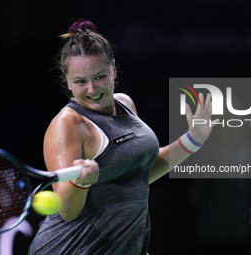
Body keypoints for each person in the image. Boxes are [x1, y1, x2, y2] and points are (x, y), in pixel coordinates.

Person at [28, 19, 217, 255]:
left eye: (99, 77)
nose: (92, 89)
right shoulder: (68, 124)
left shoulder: (125, 103)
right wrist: (79, 183)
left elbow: (137, 175)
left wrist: (193, 139)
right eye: (80, 82)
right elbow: (67, 210)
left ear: (113, 70)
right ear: (67, 82)